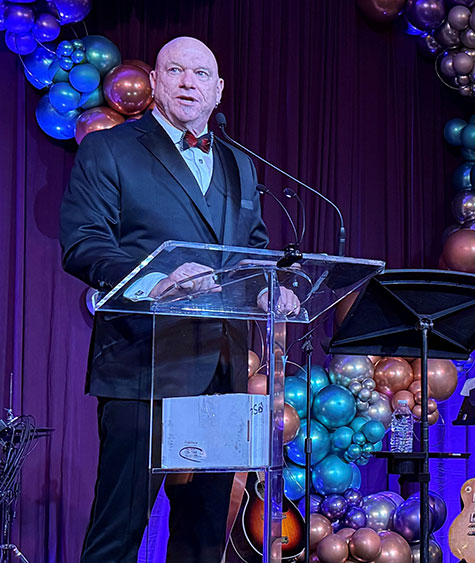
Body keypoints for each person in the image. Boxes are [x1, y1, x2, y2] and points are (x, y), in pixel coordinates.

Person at [60, 37, 298, 562]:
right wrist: (155, 279)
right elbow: (84, 243)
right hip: (143, 366)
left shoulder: (240, 164)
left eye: (201, 74)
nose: (189, 82)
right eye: (176, 71)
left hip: (221, 371)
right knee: (117, 532)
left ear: (218, 91)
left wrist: (267, 289)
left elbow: (252, 250)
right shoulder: (111, 149)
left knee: (204, 536)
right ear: (155, 83)